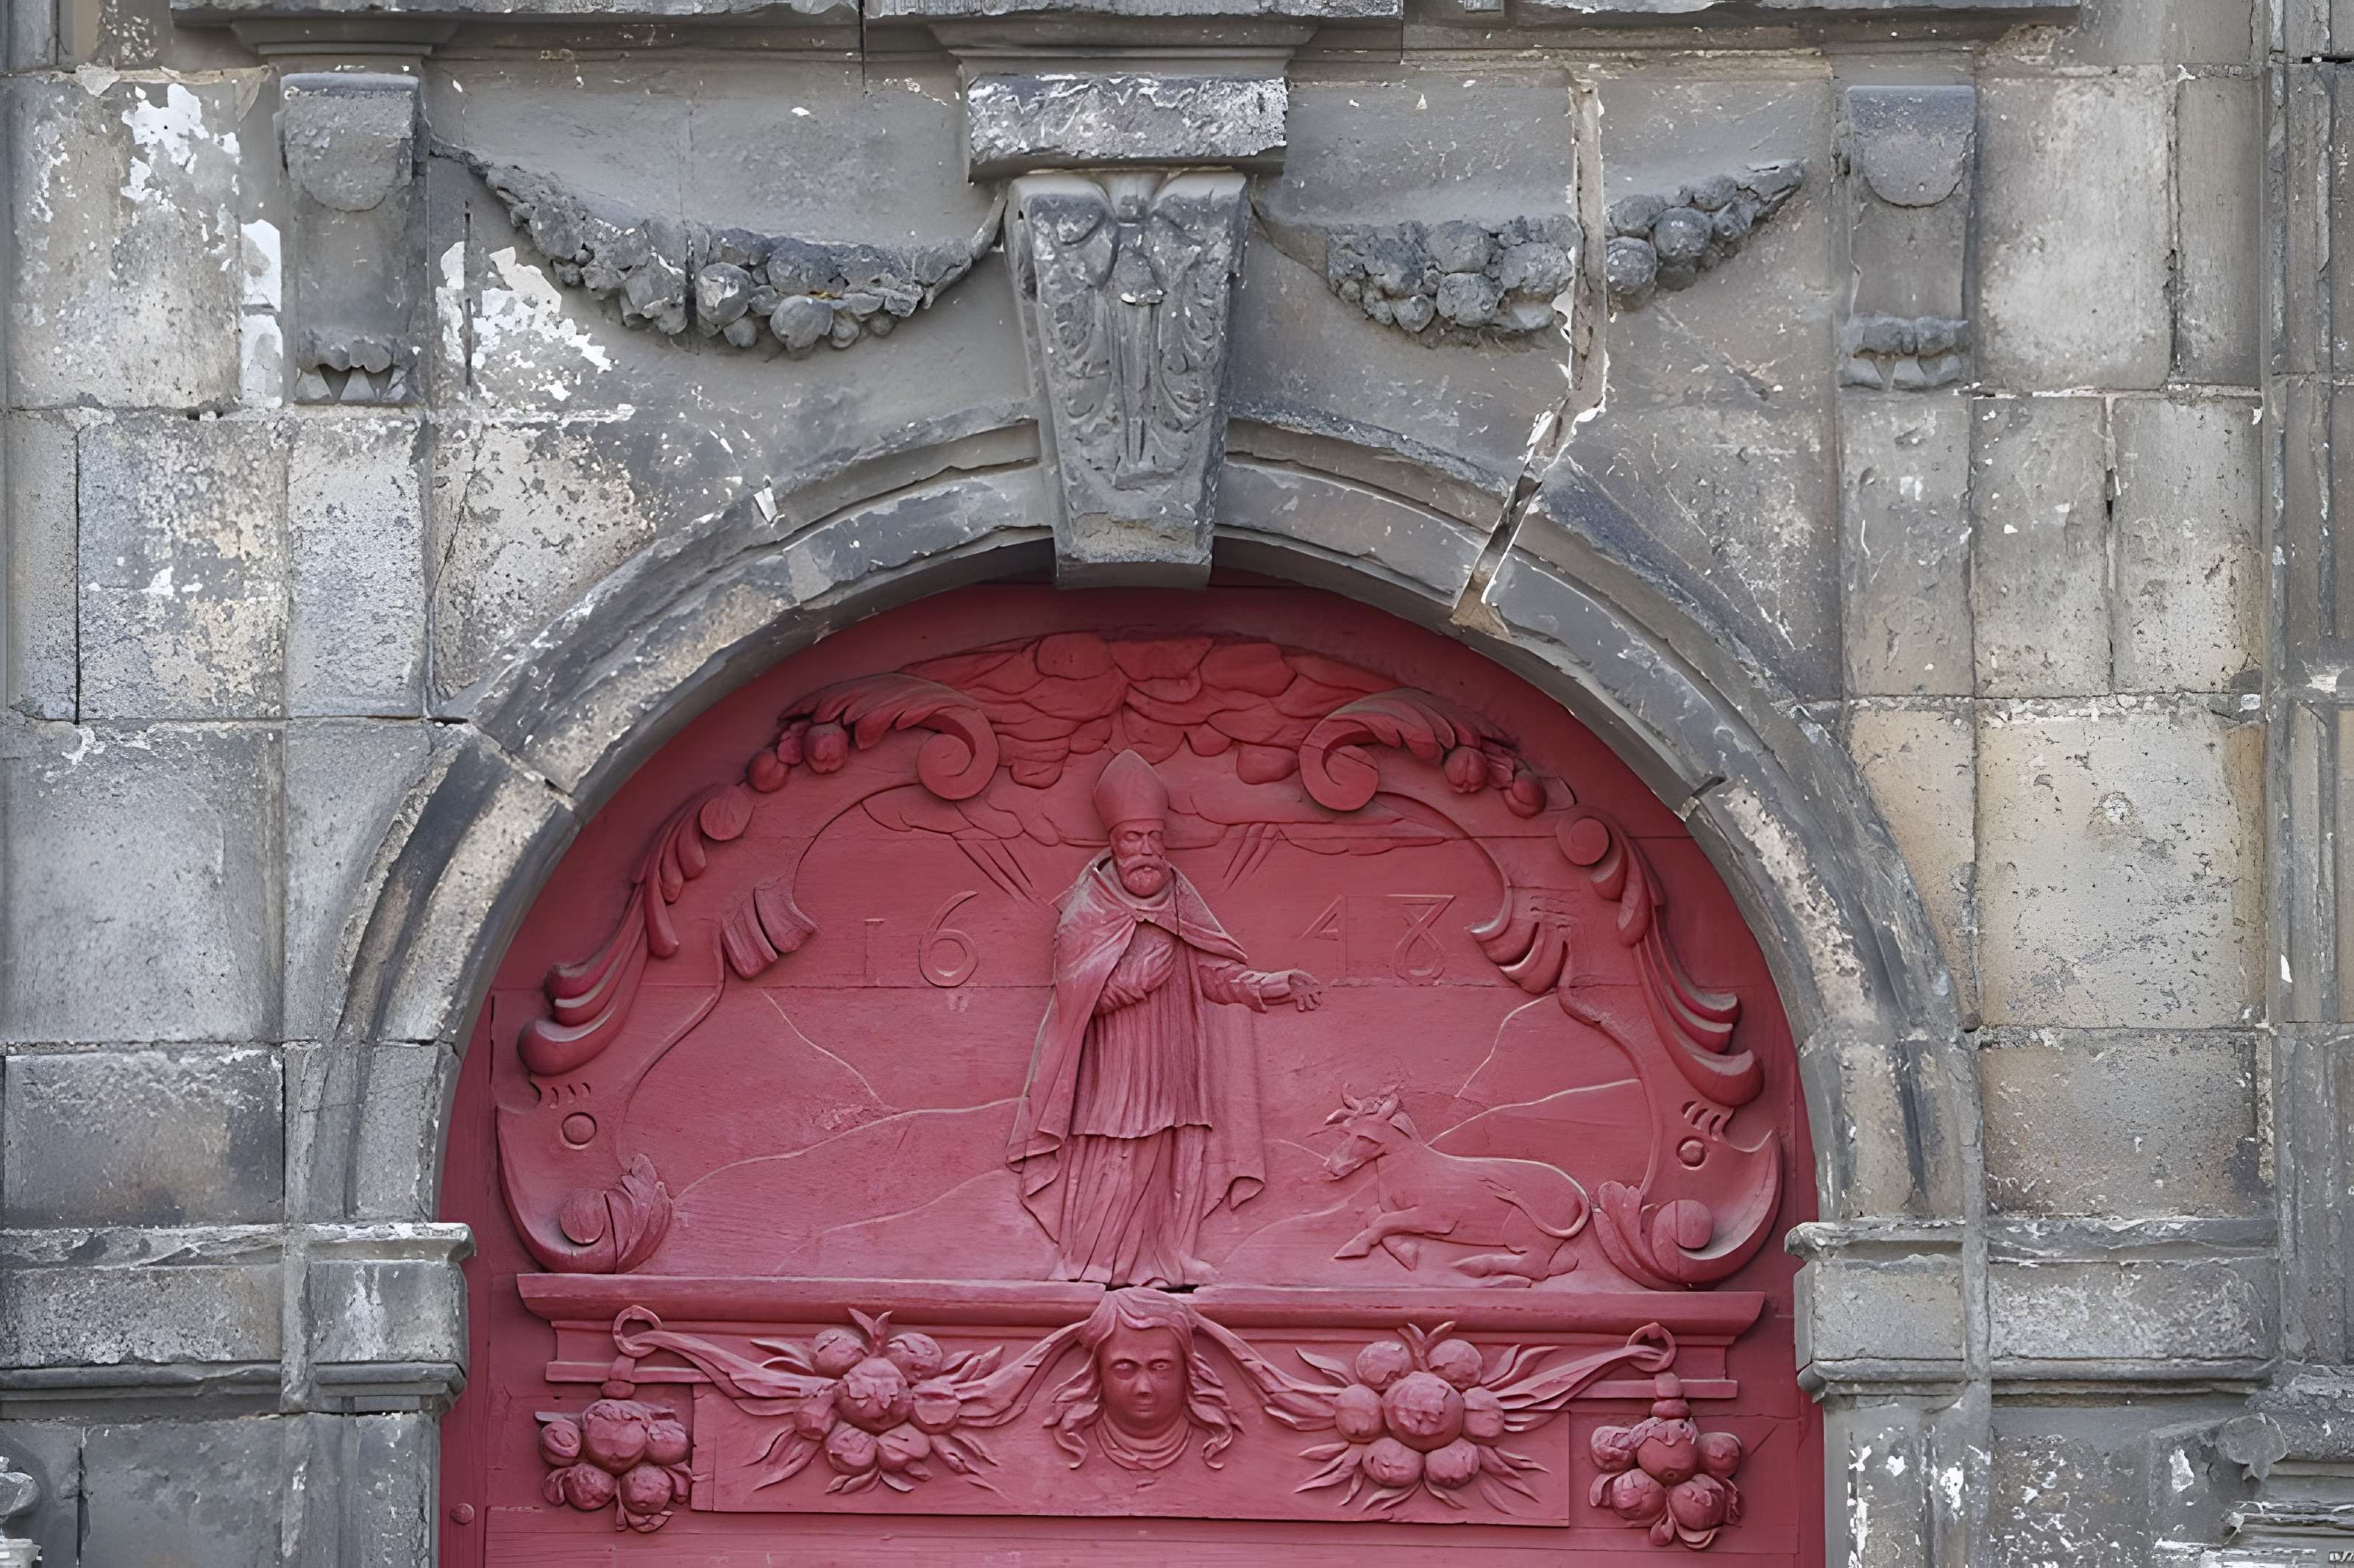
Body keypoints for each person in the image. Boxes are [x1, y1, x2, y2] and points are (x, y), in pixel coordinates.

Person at [1008, 750, 1322, 1288]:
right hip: (1116, 1066)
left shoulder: (1181, 902)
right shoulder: (1087, 913)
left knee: (1176, 1155)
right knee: (1117, 1154)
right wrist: (1133, 983)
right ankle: (1090, 1260)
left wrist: (1271, 985)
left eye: (1155, 837)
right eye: (1134, 839)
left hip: (1176, 1060)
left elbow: (1214, 975)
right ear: (1113, 844)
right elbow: (1075, 999)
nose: (1147, 850)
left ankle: (1170, 1258)